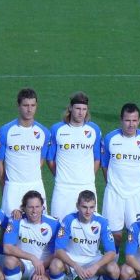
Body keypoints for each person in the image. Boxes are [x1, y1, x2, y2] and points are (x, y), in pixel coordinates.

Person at [47, 190, 119, 280]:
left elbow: (111, 252)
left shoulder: (101, 221)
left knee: (114, 270)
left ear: (95, 207)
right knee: (54, 266)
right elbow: (58, 250)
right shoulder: (69, 220)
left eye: (91, 207)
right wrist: (75, 266)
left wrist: (95, 267)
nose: (88, 211)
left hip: (92, 260)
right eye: (84, 207)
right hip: (72, 260)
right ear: (77, 206)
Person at [101, 103, 140, 247]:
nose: (131, 124)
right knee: (114, 235)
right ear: (121, 120)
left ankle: (134, 268)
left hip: (135, 195)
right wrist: (112, 183)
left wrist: (137, 183)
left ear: (139, 120)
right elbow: (104, 165)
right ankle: (113, 268)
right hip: (114, 194)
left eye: (134, 120)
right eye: (128, 120)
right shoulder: (110, 138)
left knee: (136, 234)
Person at [0, 190, 60, 280]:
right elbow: (7, 247)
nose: (34, 211)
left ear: (43, 207)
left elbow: (57, 251)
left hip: (41, 266)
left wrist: (43, 269)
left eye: (37, 207)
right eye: (30, 207)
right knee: (9, 261)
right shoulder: (16, 220)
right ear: (23, 208)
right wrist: (32, 258)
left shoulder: (54, 223)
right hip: (22, 264)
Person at [47, 93, 101, 222]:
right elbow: (50, 159)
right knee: (58, 226)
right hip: (63, 187)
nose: (81, 113)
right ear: (70, 108)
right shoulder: (57, 129)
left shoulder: (94, 130)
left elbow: (97, 158)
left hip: (86, 186)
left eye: (84, 109)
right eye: (77, 108)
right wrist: (60, 175)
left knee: (87, 226)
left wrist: (87, 176)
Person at [0, 88, 50, 215]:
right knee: (9, 226)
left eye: (33, 105)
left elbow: (41, 160)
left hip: (35, 184)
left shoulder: (44, 133)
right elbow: (0, 164)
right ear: (18, 106)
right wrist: (5, 186)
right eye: (25, 105)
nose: (29, 109)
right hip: (13, 186)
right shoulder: (5, 131)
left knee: (39, 225)